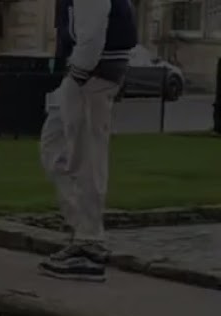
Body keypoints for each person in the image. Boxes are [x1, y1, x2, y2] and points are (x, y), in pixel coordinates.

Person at [37, 0, 136, 282]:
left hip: (91, 74)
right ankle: (82, 229)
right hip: (89, 71)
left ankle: (89, 242)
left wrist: (76, 77)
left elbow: (92, 34)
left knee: (85, 157)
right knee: (55, 147)